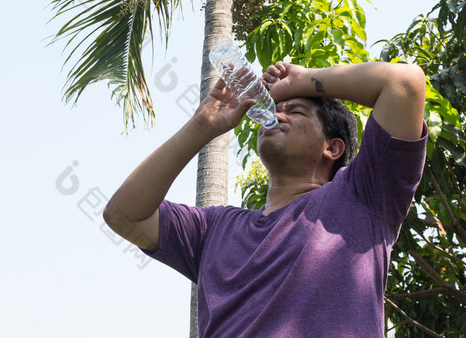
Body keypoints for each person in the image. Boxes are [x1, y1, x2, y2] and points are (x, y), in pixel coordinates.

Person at [103, 60, 428, 337]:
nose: (276, 116)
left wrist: (300, 80)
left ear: (333, 147)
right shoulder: (212, 228)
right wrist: (202, 125)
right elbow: (123, 214)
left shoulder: (362, 194)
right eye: (272, 110)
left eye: (295, 111)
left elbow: (404, 83)